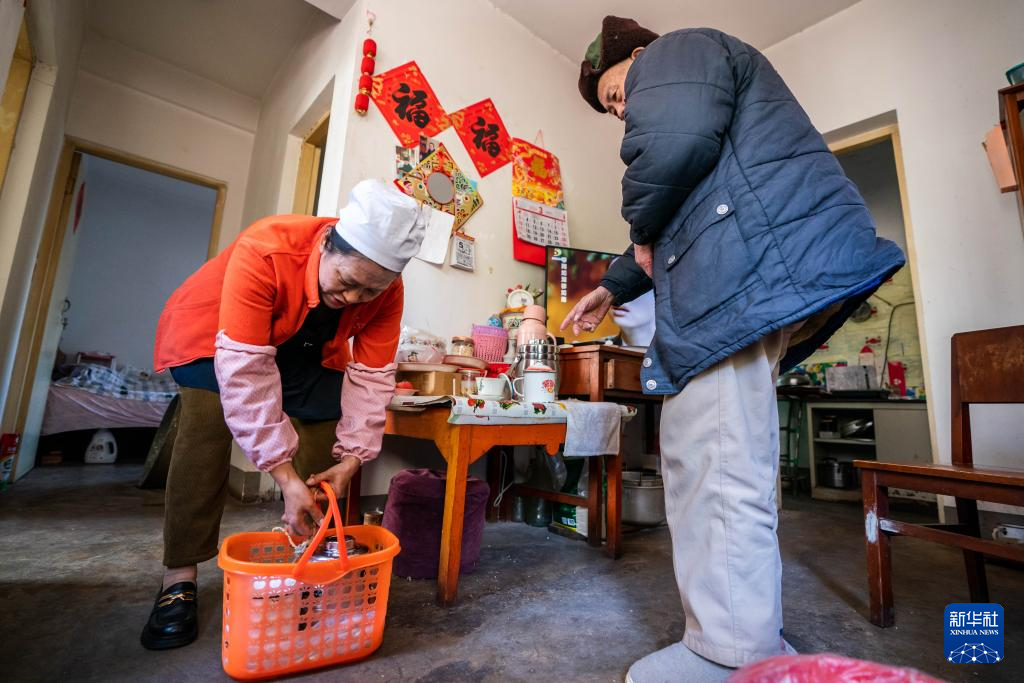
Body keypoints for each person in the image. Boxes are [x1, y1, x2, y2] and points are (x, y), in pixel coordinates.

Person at [564, 16, 905, 682]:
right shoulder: (702, 88)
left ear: (638, 55)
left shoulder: (675, 52)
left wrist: (640, 227)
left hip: (734, 286)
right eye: (612, 109)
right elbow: (680, 201)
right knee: (728, 458)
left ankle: (729, 656)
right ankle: (751, 643)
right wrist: (612, 285)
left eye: (616, 94)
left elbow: (669, 148)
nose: (622, 111)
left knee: (713, 459)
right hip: (746, 279)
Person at [140, 179, 426, 650]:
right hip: (215, 335)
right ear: (327, 243)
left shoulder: (385, 292)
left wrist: (352, 459)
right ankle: (179, 577)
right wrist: (282, 474)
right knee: (207, 424)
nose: (354, 298)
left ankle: (310, 551)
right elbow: (246, 372)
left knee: (326, 415)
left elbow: (373, 377)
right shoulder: (267, 248)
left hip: (300, 344)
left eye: (369, 291)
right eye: (347, 282)